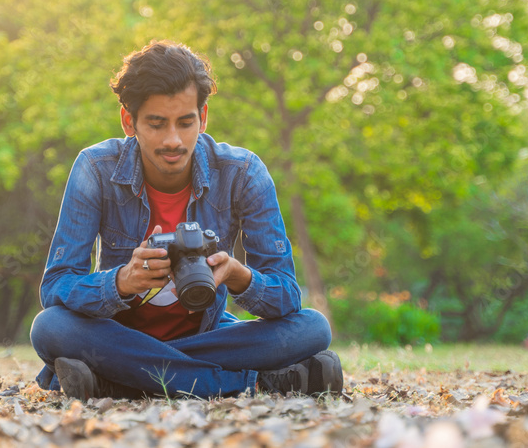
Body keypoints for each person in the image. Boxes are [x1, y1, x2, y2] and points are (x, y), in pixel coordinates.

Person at [29, 40, 342, 399]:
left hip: (208, 334)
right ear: (129, 121)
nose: (173, 140)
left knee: (313, 328)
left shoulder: (243, 173)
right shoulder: (95, 169)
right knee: (51, 327)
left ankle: (118, 379)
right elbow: (55, 288)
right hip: (118, 333)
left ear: (203, 117)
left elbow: (287, 295)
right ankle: (250, 382)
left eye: (185, 122)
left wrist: (238, 276)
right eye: (157, 124)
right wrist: (121, 281)